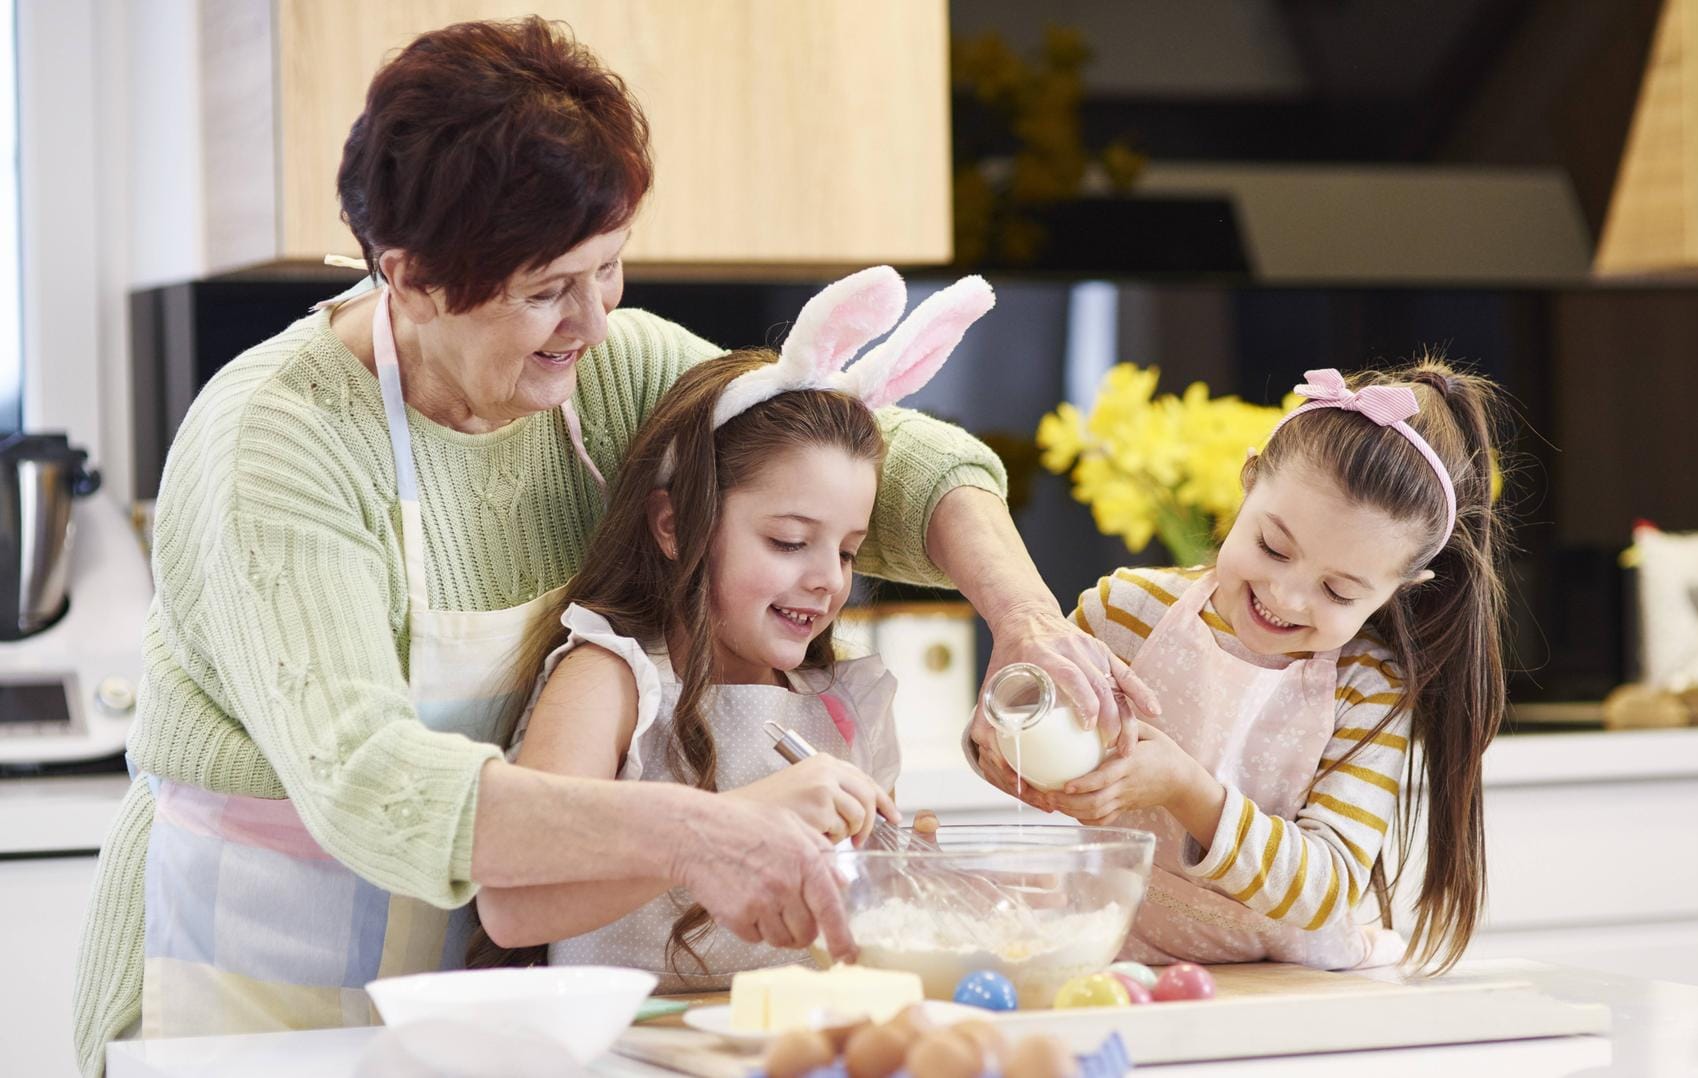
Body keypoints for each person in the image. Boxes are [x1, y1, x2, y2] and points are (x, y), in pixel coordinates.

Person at [71, 19, 1127, 1075]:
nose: (594, 318)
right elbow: (368, 782)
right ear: (412, 276)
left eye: (609, 267)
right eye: (546, 289)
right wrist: (698, 831)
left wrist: (1025, 618)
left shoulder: (606, 370)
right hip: (245, 987)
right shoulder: (276, 441)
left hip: (467, 989)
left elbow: (861, 444)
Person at [475, 269, 990, 989]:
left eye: (847, 551)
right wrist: (743, 820)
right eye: (787, 541)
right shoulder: (615, 679)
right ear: (676, 526)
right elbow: (514, 903)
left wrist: (891, 878)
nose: (827, 578)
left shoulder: (838, 701)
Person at [1038, 361, 1513, 972]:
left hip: (1293, 982)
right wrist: (1001, 735)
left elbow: (1327, 889)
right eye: (1272, 547)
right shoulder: (1125, 611)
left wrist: (1188, 792)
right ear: (1247, 480)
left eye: (1339, 592)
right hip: (1116, 958)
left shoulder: (1367, 691)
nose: (1287, 597)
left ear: (1402, 588)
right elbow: (1027, 711)